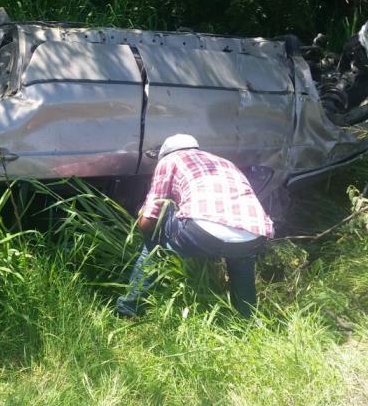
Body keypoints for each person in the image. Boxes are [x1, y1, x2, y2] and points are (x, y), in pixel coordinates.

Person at [116, 134, 274, 318]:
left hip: (203, 232)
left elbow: (151, 215)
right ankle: (247, 320)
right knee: (242, 262)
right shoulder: (225, 163)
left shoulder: (170, 160)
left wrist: (142, 226)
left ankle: (129, 309)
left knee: (155, 237)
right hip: (252, 233)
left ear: (164, 154)